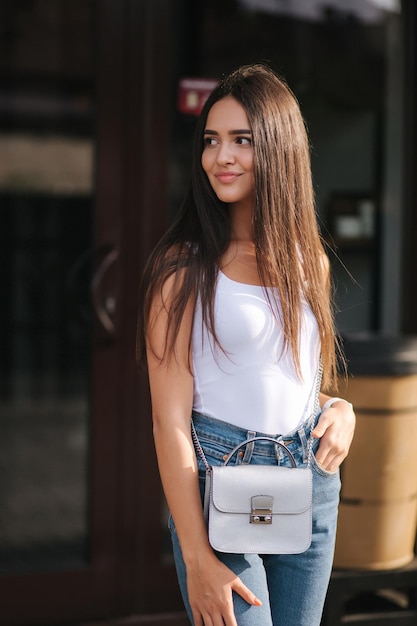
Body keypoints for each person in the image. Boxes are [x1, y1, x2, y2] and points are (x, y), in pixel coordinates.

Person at [137, 63, 356, 626]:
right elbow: (168, 423)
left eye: (242, 140)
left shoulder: (311, 263)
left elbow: (295, 379)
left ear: (280, 150)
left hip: (308, 480)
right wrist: (196, 556)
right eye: (212, 140)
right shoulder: (182, 269)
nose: (221, 157)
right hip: (218, 489)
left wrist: (339, 409)